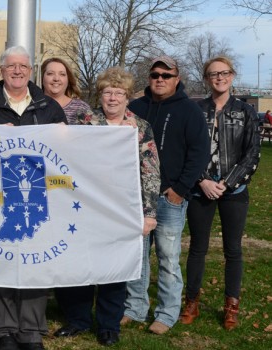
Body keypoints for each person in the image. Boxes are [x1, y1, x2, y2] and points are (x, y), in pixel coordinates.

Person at [0, 45, 67, 350]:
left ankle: (31, 330)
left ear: (31, 71)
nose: (17, 71)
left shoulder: (49, 107)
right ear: (1, 71)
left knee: (35, 258)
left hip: (39, 196)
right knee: (1, 256)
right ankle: (3, 329)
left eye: (23, 66)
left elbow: (68, 152)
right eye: (11, 66)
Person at [52, 67, 160, 346]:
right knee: (80, 263)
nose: (112, 98)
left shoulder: (140, 127)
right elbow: (63, 153)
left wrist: (148, 214)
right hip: (83, 206)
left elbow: (150, 172)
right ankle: (78, 319)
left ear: (127, 96)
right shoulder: (83, 121)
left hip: (121, 208)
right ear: (100, 95)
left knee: (114, 266)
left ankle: (108, 325)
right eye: (107, 92)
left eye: (119, 93)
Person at [122, 56, 210, 334]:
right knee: (137, 256)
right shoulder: (134, 108)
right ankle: (135, 308)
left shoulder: (189, 111)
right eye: (155, 74)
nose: (160, 79)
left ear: (177, 78)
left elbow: (199, 153)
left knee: (168, 257)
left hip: (168, 197)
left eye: (166, 75)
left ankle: (166, 312)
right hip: (135, 197)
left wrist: (180, 189)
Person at [180, 56, 260, 330]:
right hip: (201, 189)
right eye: (213, 74)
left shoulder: (245, 111)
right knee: (197, 248)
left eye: (224, 73)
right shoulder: (195, 109)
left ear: (232, 76)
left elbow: (252, 153)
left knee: (233, 250)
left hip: (234, 189)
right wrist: (202, 180)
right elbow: (187, 149)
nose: (219, 78)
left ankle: (231, 307)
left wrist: (227, 182)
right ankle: (191, 301)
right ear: (206, 78)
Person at [40, 57, 90, 124]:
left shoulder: (82, 108)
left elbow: (94, 133)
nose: (56, 78)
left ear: (68, 80)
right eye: (50, 73)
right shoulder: (30, 107)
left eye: (62, 74)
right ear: (42, 78)